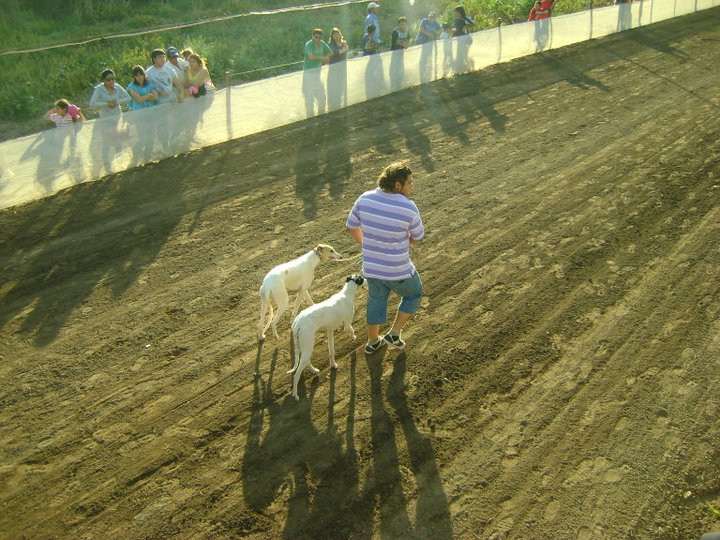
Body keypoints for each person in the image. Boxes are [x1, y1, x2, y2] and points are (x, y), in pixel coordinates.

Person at [346, 161, 425, 354]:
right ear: (397, 185)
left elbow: (351, 226)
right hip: (398, 270)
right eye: (409, 182)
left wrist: (367, 245)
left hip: (372, 269)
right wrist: (405, 242)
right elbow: (418, 237)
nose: (412, 185)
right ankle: (394, 332)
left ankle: (373, 342)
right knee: (414, 293)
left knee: (376, 300)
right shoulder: (408, 207)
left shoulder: (364, 198)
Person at [303, 29, 332, 117]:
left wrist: (326, 57)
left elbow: (331, 52)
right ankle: (310, 117)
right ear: (312, 36)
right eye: (316, 37)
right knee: (309, 97)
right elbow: (311, 57)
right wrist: (323, 58)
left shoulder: (322, 44)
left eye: (319, 37)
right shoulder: (309, 45)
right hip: (308, 74)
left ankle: (321, 115)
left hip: (317, 75)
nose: (318, 39)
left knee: (322, 96)